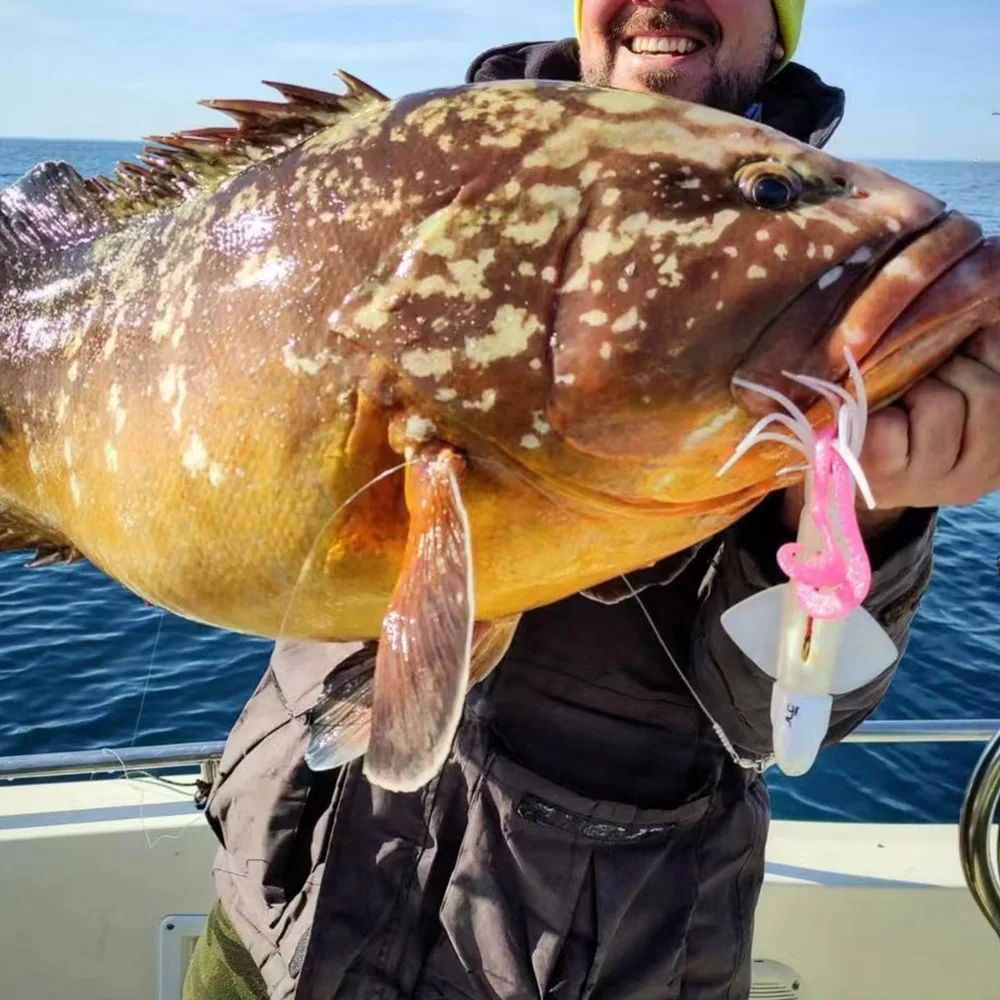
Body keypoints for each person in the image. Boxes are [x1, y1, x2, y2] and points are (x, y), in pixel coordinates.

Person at [183, 2, 1000, 997]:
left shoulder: (810, 310)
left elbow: (780, 726)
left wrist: (865, 513)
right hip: (279, 921)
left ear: (780, 26)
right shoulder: (407, 182)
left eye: (772, 188)